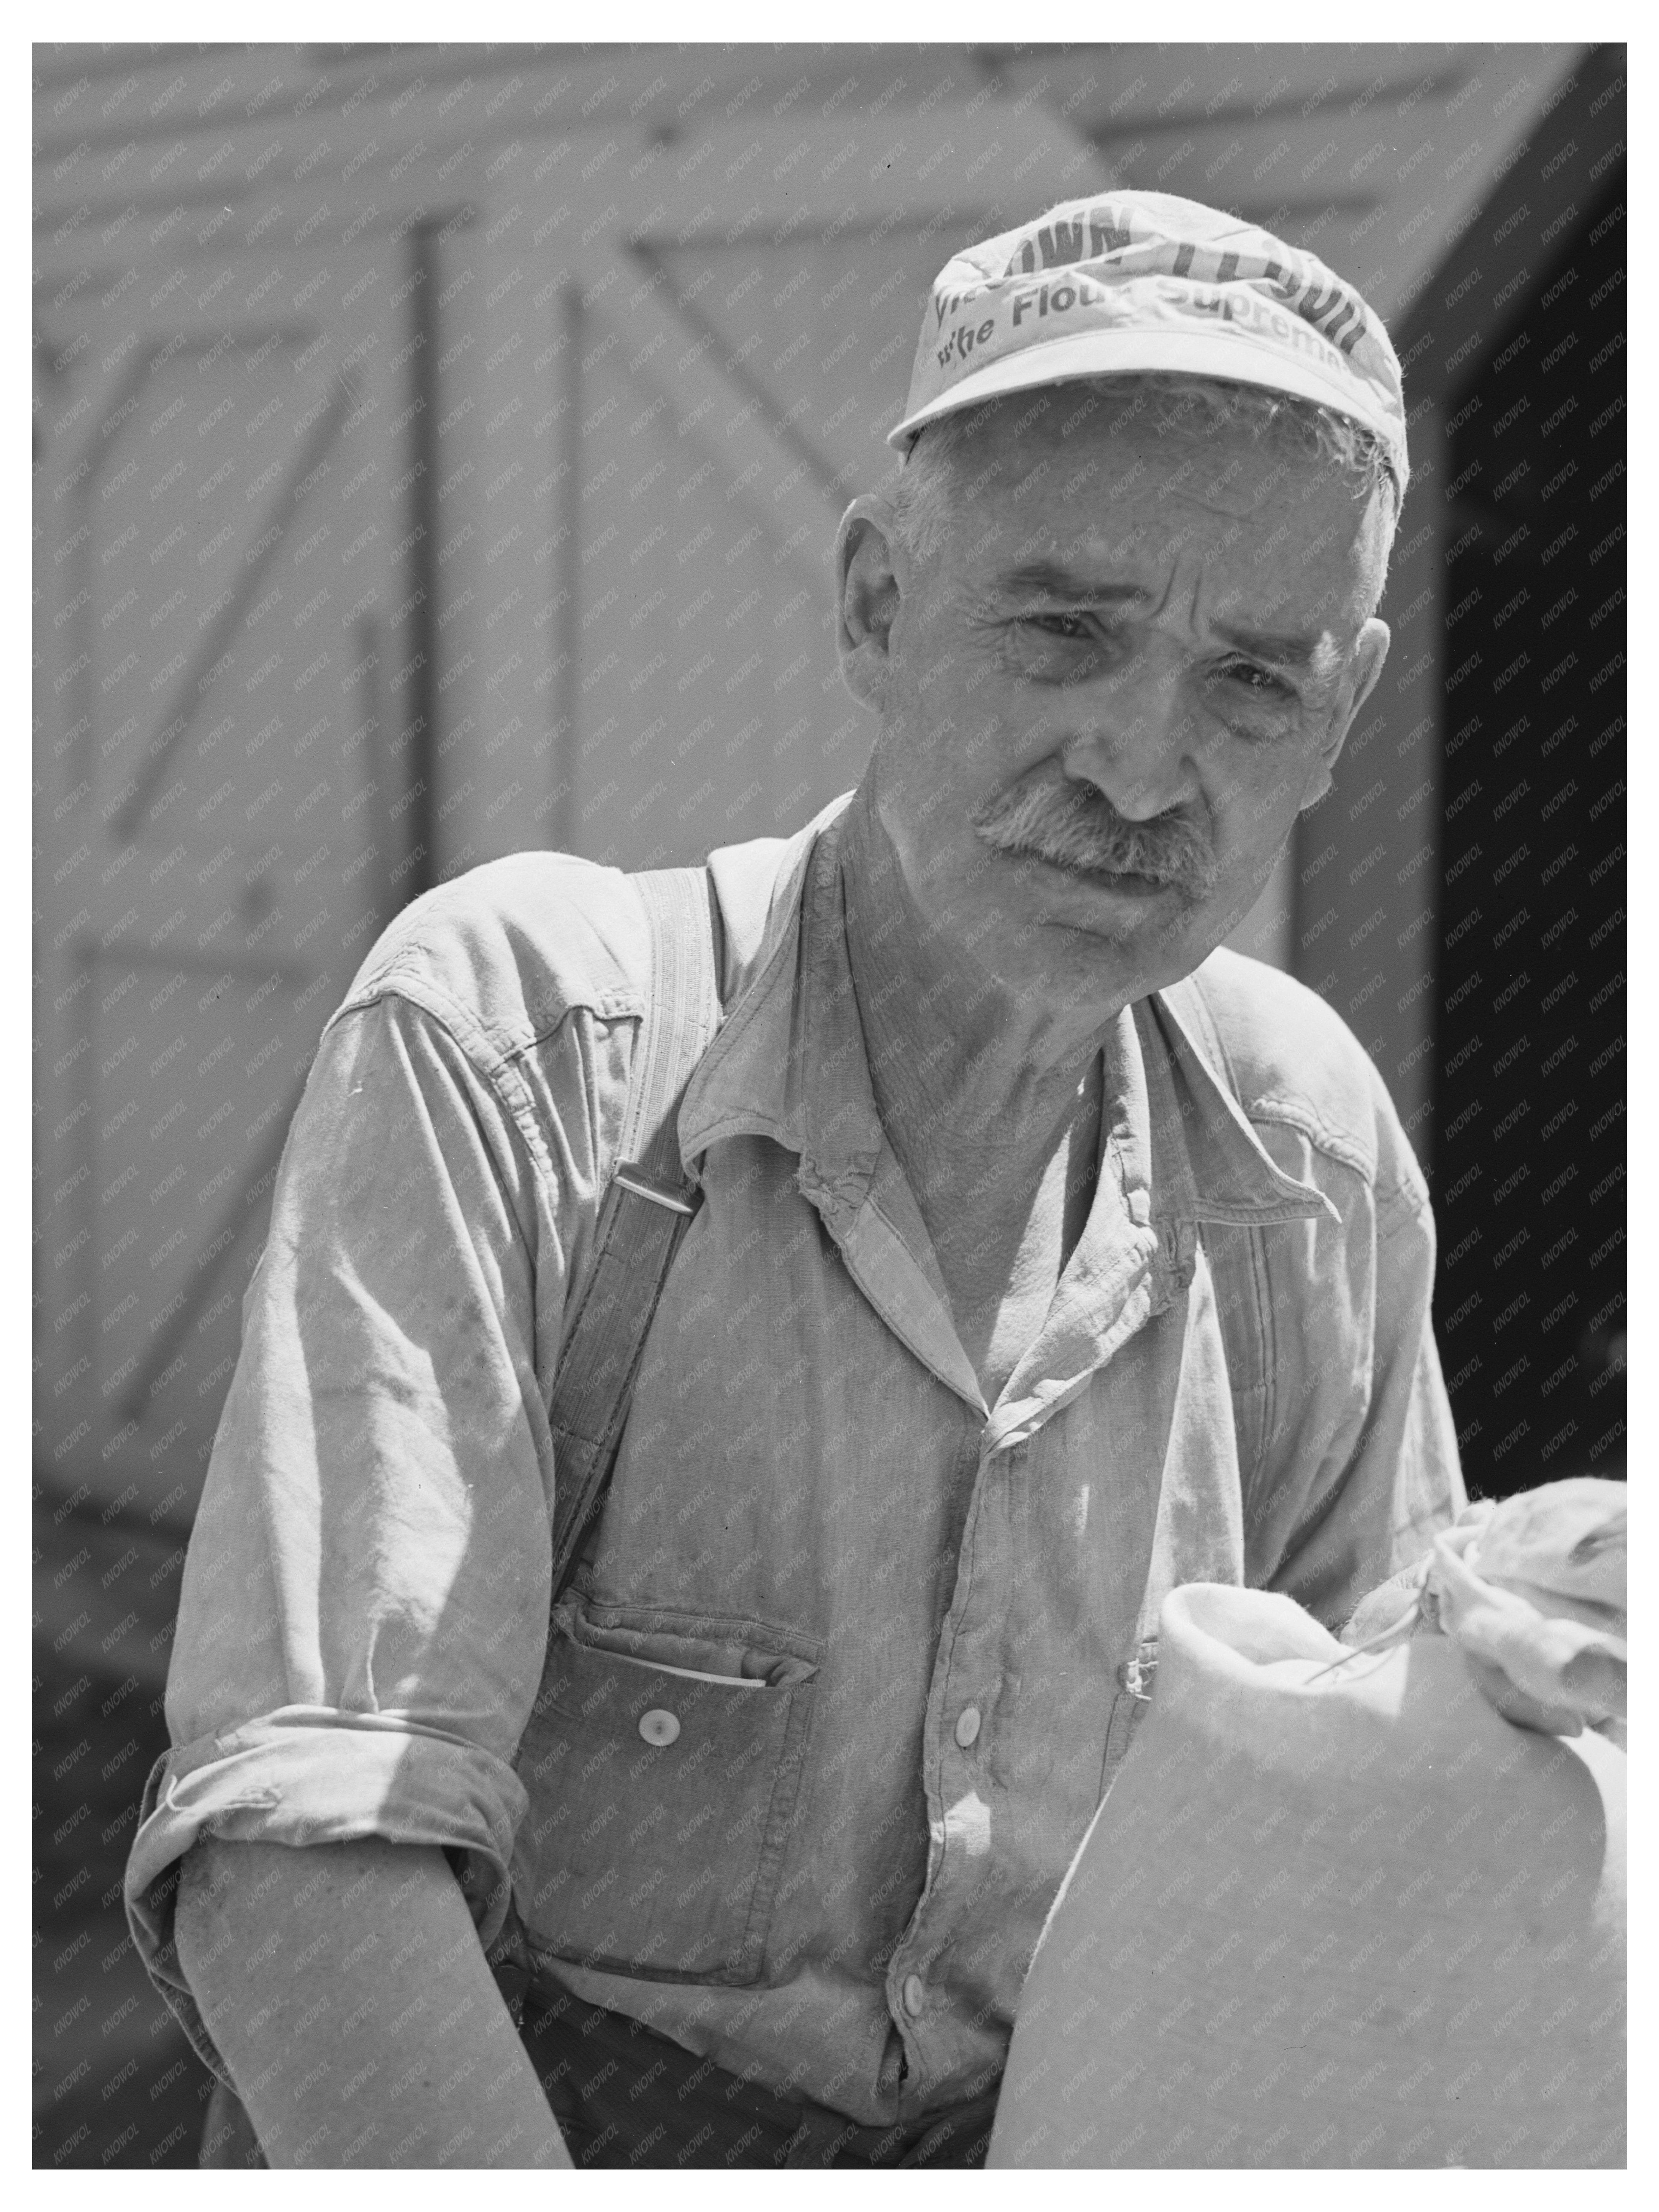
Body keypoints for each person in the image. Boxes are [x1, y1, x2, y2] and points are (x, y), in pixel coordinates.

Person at [125, 191, 1463, 2169]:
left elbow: (1392, 1852)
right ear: (872, 606)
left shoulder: (1304, 1154)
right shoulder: (529, 1037)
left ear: (1342, 716)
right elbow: (304, 1875)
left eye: (1251, 680)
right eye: (1065, 628)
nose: (1143, 764)